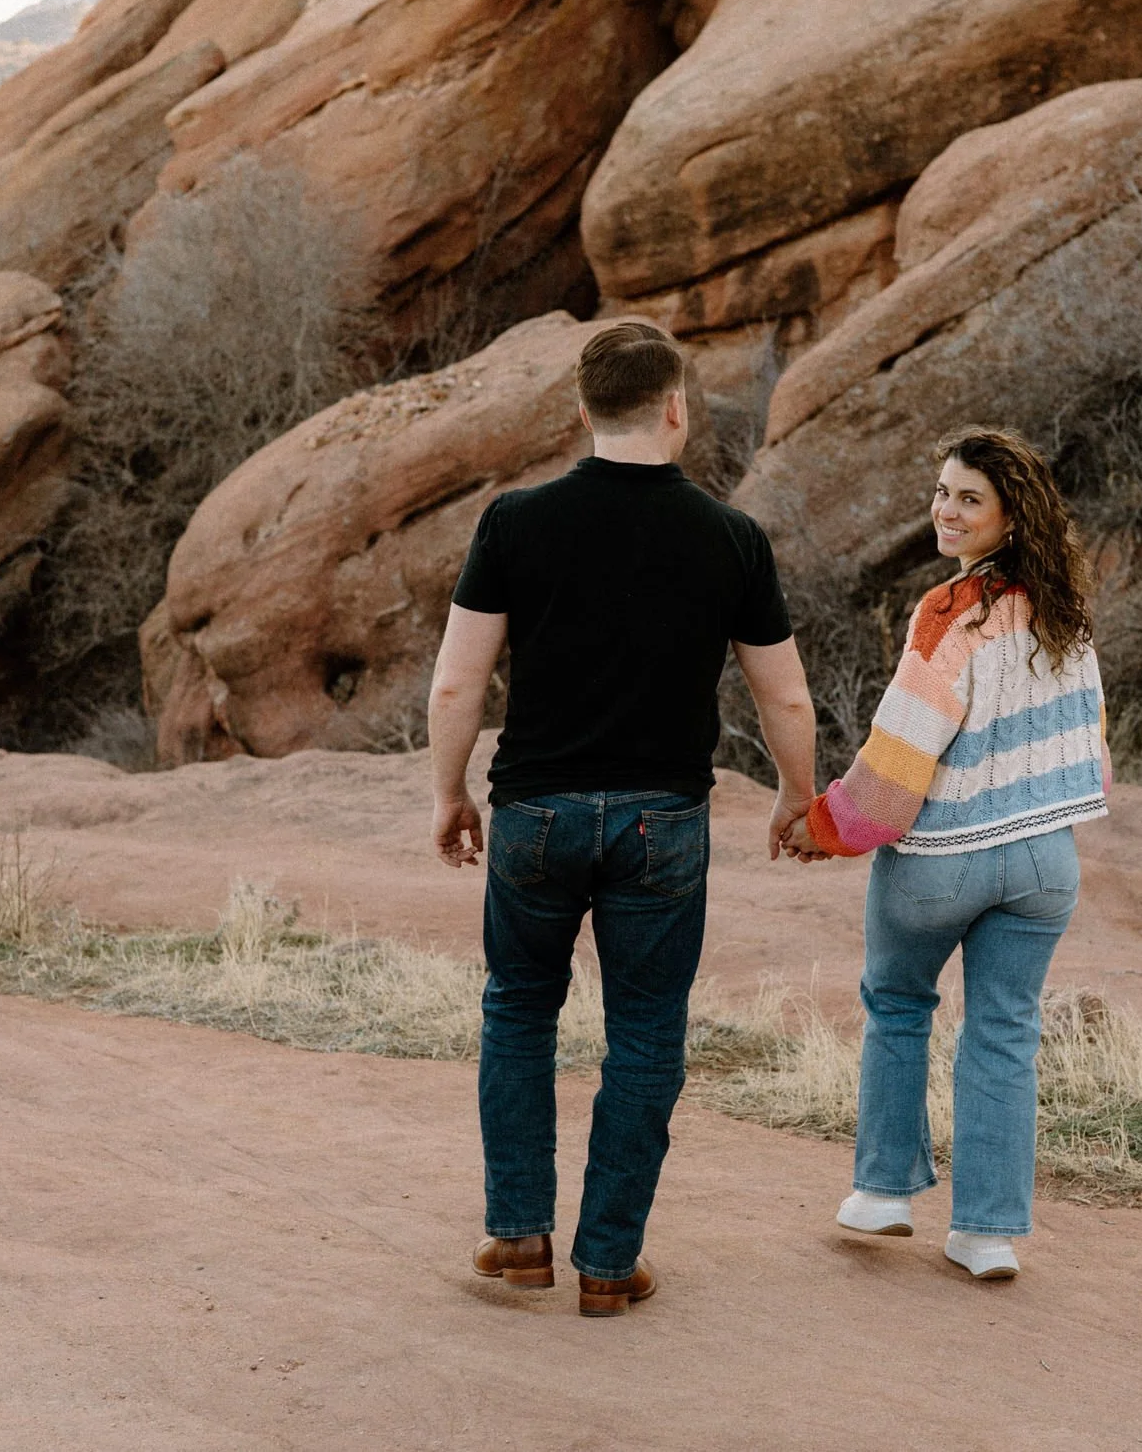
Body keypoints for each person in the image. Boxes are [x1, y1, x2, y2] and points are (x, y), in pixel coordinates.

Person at [428, 321, 816, 1318]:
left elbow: (457, 682)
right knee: (644, 1037)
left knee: (518, 1008)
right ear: (677, 407)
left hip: (535, 815)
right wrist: (794, 791)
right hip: (662, 823)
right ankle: (607, 1261)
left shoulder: (514, 523)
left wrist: (449, 791)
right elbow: (785, 701)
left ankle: (517, 1232)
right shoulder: (730, 537)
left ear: (585, 410)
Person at [785, 425, 1107, 1281]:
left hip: (946, 857)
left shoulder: (948, 612)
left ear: (1008, 517)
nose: (946, 509)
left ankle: (885, 1192)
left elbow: (899, 757)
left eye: (969, 497)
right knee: (1004, 1031)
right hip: (1045, 862)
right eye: (941, 493)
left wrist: (825, 826)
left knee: (897, 1000)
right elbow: (1091, 749)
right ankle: (986, 1233)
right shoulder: (1068, 610)